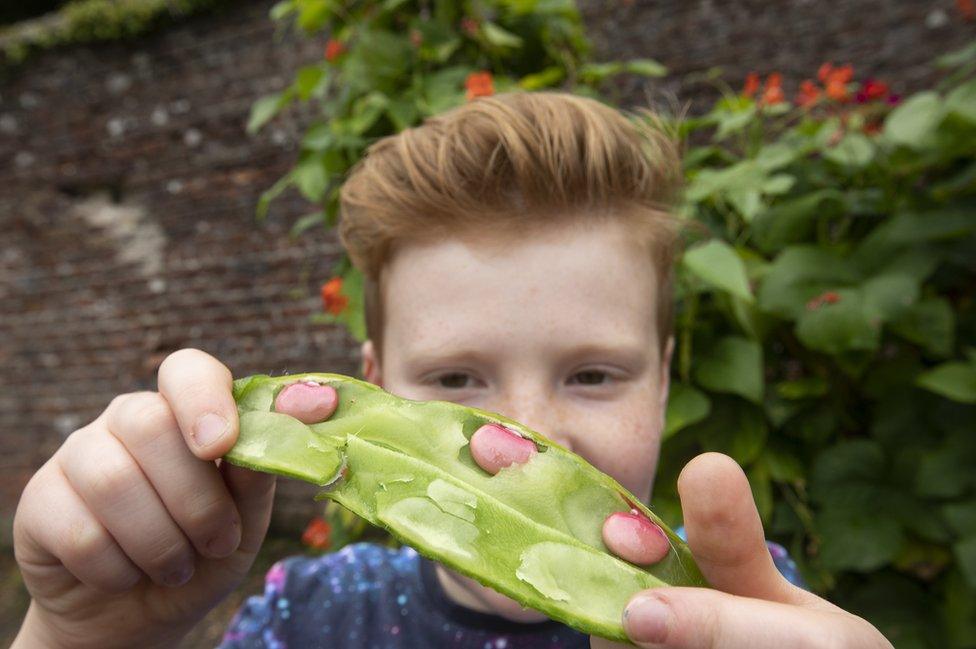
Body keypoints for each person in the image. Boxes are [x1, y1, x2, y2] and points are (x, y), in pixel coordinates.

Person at [11, 92, 893, 649]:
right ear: (371, 378)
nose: (524, 436)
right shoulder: (309, 615)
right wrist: (77, 636)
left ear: (664, 377)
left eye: (592, 374)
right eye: (454, 382)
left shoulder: (746, 608)